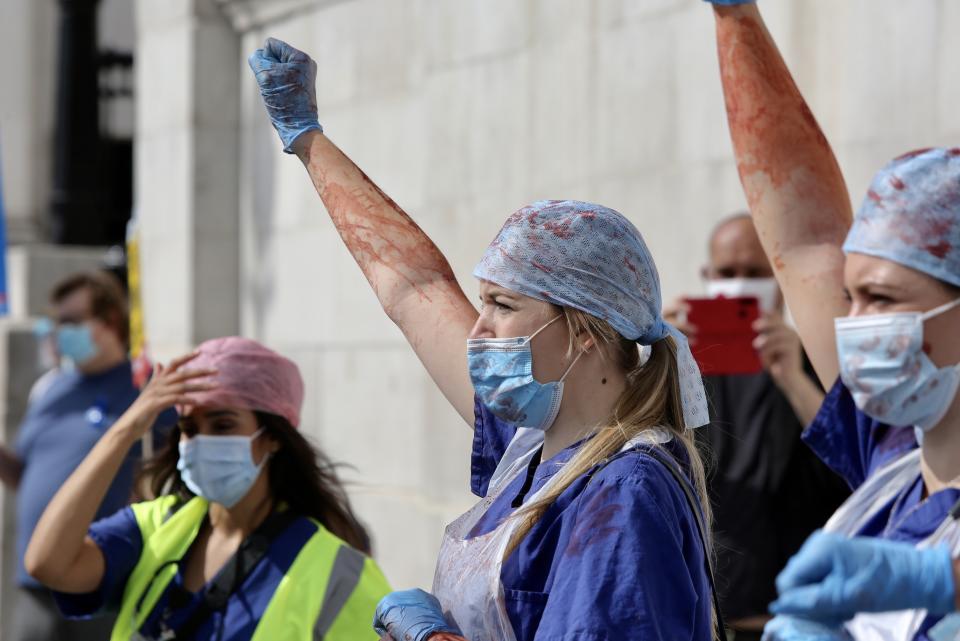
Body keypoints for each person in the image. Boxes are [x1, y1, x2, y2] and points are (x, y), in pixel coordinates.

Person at [249, 38, 721, 641]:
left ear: (582, 332)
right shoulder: (535, 450)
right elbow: (413, 287)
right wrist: (307, 137)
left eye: (502, 305)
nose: (477, 331)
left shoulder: (625, 493)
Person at [706, 0, 960, 638]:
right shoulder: (891, 448)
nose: (852, 322)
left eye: (883, 299)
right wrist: (734, 19)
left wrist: (942, 582)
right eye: (851, 298)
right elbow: (806, 242)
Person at [23, 336, 391, 640]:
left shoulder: (338, 571)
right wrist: (126, 429)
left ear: (273, 438)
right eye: (189, 429)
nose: (201, 443)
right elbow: (48, 563)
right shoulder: (156, 526)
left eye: (223, 425)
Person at [664, 213, 848, 641]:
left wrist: (793, 376)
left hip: (805, 619)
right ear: (708, 277)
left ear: (778, 282)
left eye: (755, 274)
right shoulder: (687, 372)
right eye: (728, 273)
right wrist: (659, 364)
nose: (741, 285)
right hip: (708, 621)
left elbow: (854, 466)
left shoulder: (817, 365)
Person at [0, 270, 172, 641]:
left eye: (70, 321)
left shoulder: (144, 390)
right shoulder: (49, 389)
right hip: (35, 582)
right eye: (56, 321)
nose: (59, 331)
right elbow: (23, 476)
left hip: (101, 578)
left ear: (109, 321)